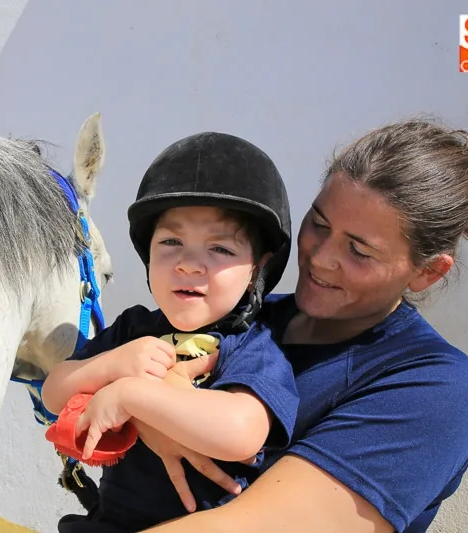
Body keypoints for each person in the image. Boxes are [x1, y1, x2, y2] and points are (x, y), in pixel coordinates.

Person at [133, 118, 468, 533]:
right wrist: (142, 411)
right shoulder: (236, 316)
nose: (320, 257)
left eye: (359, 250)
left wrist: (146, 405)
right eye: (319, 224)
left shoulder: (435, 388)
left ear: (428, 273)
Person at [41, 131, 299, 532]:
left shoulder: (252, 346)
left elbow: (241, 432)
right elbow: (53, 392)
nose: (189, 264)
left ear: (257, 270)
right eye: (171, 241)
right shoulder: (134, 328)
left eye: (220, 249)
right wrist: (112, 364)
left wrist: (131, 394)